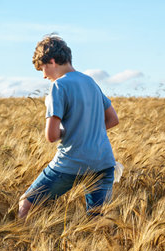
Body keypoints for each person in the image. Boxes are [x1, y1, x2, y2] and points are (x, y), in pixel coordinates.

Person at [18, 35, 119, 219]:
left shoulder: (59, 86)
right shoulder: (91, 82)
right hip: (103, 161)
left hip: (71, 162)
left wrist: (73, 132)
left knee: (26, 204)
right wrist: (88, 130)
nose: (44, 75)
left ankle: (21, 245)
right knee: (97, 222)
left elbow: (51, 135)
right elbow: (113, 119)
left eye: (43, 68)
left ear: (52, 61)